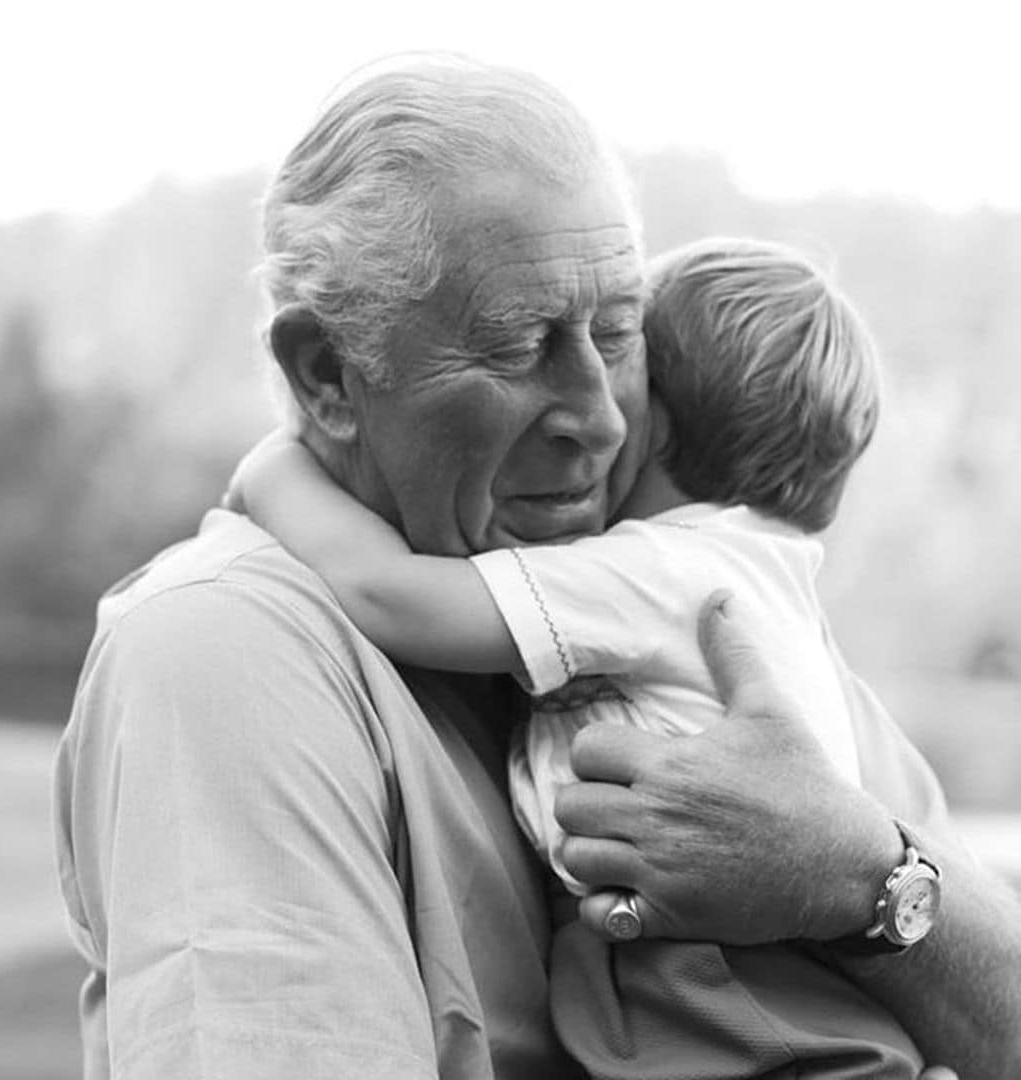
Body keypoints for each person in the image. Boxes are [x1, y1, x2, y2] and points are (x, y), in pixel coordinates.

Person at [52, 55, 1020, 1080]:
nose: (600, 419)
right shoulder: (230, 654)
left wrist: (866, 874)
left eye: (616, 335)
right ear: (329, 374)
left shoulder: (729, 620)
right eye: (520, 346)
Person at [226, 237, 921, 1077]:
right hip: (770, 1009)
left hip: (735, 1013)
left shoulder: (662, 567)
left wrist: (275, 471)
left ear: (650, 415)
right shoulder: (763, 571)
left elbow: (391, 597)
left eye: (618, 352)